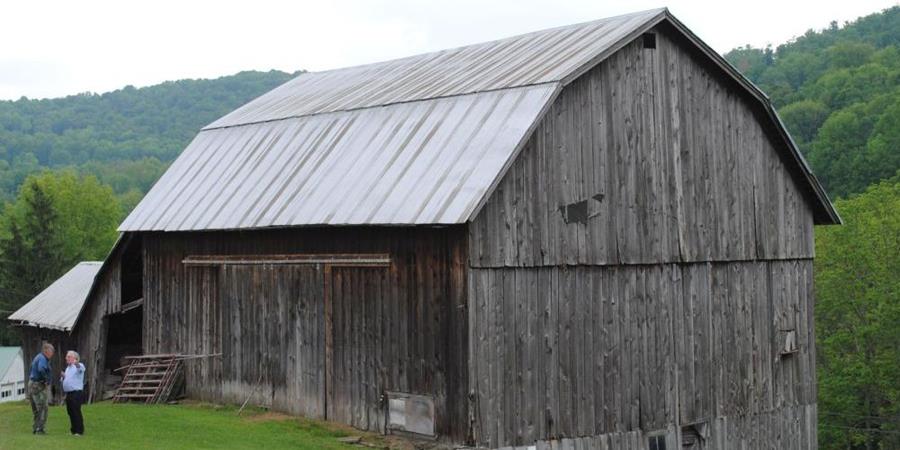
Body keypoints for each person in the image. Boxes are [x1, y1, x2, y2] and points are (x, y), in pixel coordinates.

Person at [27, 342, 54, 434]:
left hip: (32, 383)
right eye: (51, 352)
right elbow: (41, 368)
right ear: (46, 351)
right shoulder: (42, 358)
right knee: (43, 407)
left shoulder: (38, 357)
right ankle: (40, 429)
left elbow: (32, 368)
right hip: (38, 385)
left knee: (35, 407)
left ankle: (35, 428)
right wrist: (46, 379)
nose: (52, 354)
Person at [61, 350, 86, 436]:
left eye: (68, 357)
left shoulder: (79, 365)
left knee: (76, 411)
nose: (66, 358)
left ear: (74, 358)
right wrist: (64, 376)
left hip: (76, 393)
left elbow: (81, 369)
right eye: (66, 356)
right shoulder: (68, 368)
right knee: (70, 411)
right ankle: (73, 430)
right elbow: (67, 379)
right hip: (69, 393)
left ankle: (79, 431)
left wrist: (76, 363)